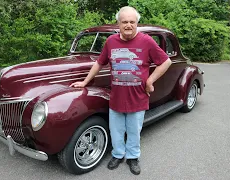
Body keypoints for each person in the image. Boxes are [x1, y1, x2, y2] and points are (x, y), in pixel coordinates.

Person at [69, 6, 172, 175]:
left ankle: (132, 158)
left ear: (136, 23)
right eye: (125, 22)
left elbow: (165, 62)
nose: (128, 25)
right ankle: (118, 155)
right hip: (116, 97)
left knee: (133, 131)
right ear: (118, 23)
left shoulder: (146, 41)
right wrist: (85, 82)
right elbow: (99, 63)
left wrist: (150, 80)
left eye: (132, 22)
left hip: (138, 97)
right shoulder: (111, 42)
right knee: (116, 130)